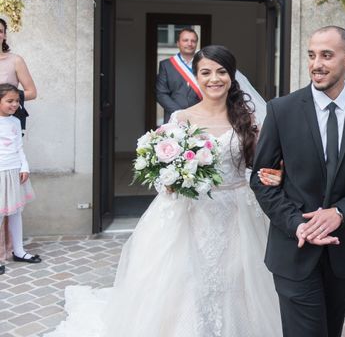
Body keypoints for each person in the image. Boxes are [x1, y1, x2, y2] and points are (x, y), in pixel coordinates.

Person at [46, 45, 283, 337]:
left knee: (239, 280)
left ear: (232, 77)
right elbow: (163, 177)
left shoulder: (248, 121)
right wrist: (172, 181)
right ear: (195, 77)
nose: (214, 79)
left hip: (238, 213)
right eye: (205, 72)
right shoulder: (181, 119)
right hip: (192, 214)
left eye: (221, 72)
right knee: (187, 282)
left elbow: (259, 166)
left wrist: (271, 175)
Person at [250, 25, 345, 337]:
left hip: (344, 253)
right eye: (312, 55)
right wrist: (297, 224)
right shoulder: (281, 110)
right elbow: (262, 181)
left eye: (327, 55)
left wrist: (339, 213)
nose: (317, 64)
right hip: (294, 249)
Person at [0, 18, 37, 263]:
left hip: (9, 128)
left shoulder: (14, 60)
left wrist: (9, 98)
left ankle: (14, 247)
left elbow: (32, 91)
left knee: (11, 199)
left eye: (0, 31)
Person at [0, 84, 40, 276]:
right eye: (10, 101)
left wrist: (24, 167)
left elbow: (19, 147)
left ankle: (19, 251)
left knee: (16, 213)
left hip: (15, 171)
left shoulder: (15, 122)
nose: (15, 104)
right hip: (0, 173)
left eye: (17, 101)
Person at [156, 27, 201, 123]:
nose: (190, 44)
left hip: (200, 117)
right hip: (174, 118)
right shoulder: (166, 65)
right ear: (178, 43)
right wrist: (180, 113)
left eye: (193, 41)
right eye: (185, 40)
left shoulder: (204, 65)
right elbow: (161, 94)